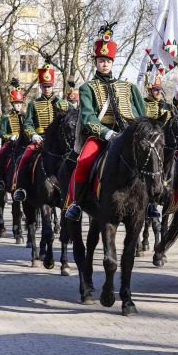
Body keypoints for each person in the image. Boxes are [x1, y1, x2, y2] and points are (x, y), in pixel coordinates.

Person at [64, 24, 145, 220]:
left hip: (125, 135)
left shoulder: (128, 87)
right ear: (96, 62)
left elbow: (141, 115)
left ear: (112, 62)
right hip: (101, 137)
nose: (105, 64)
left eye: (108, 61)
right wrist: (107, 133)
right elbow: (88, 117)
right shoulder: (87, 88)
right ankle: (77, 202)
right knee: (83, 162)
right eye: (101, 60)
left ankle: (148, 203)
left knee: (146, 159)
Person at [13, 64, 64, 198]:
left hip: (58, 141)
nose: (47, 89)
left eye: (49, 86)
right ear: (40, 87)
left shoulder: (63, 103)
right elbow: (28, 124)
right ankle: (21, 189)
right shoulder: (33, 104)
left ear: (53, 86)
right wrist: (33, 135)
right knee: (23, 158)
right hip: (40, 139)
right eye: (44, 86)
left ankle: (77, 194)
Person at [0, 82, 27, 187]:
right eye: (16, 103)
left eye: (20, 103)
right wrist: (10, 137)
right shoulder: (6, 116)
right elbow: (1, 133)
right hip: (11, 144)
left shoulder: (26, 116)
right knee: (0, 156)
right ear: (12, 103)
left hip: (24, 143)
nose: (18, 105)